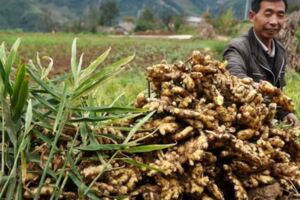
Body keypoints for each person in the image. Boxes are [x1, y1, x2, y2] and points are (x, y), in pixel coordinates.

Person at [223, 0, 298, 126]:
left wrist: (285, 113)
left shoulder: (280, 50)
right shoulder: (237, 48)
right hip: (244, 120)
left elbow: (278, 91)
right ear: (252, 16)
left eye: (280, 15)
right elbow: (236, 78)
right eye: (268, 14)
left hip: (266, 119)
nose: (274, 22)